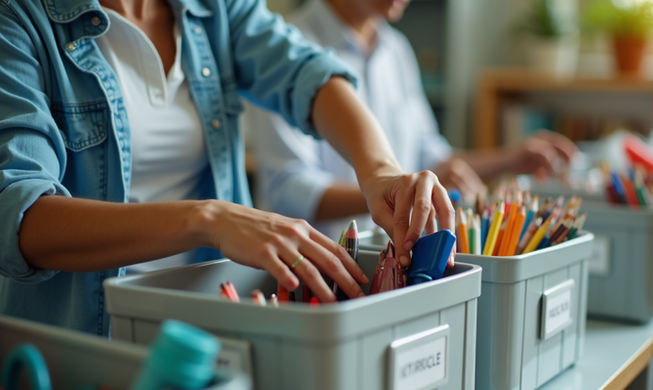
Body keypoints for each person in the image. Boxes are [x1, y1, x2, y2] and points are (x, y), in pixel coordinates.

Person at [0, 0, 455, 335]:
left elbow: (307, 74)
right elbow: (22, 219)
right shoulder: (19, 18)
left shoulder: (214, 8)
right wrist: (209, 219)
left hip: (215, 325)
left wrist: (381, 171)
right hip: (87, 340)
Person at [250, 0, 579, 241]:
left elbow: (431, 159)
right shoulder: (286, 52)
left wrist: (509, 159)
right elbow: (288, 190)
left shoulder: (396, 50)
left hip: (397, 258)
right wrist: (395, 191)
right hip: (320, 267)